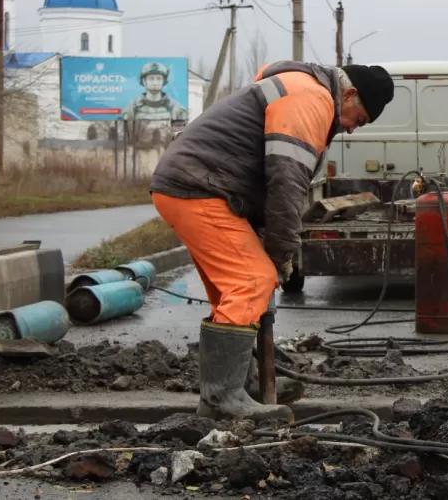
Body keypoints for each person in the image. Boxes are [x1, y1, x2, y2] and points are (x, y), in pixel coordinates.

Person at [150, 61, 394, 421]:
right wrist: (281, 253)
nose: (352, 129)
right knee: (251, 281)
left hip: (197, 184)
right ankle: (222, 399)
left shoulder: (300, 88)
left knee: (233, 293)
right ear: (350, 94)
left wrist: (270, 243)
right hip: (199, 187)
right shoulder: (311, 98)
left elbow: (265, 180)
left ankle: (242, 386)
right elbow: (286, 182)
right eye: (359, 119)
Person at [123, 62, 188, 123]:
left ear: (164, 81)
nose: (155, 83)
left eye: (159, 79)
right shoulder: (131, 108)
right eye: (151, 79)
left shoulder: (177, 109)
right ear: (144, 81)